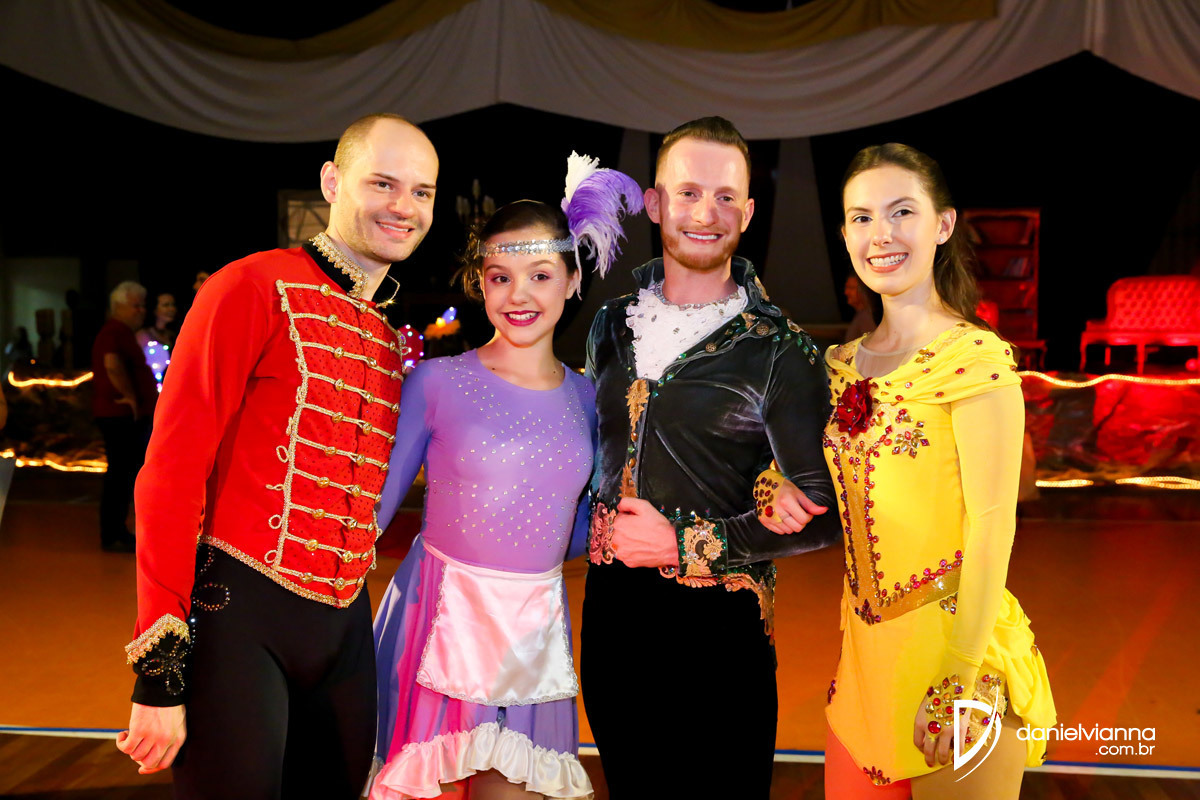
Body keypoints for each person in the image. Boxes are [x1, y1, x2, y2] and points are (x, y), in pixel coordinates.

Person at [115, 113, 439, 799]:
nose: (403, 207)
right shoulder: (250, 285)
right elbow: (171, 471)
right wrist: (159, 672)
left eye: (421, 192)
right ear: (332, 181)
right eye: (383, 183)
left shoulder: (387, 337)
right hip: (239, 624)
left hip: (346, 631)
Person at [760, 143, 1056, 799]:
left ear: (942, 224)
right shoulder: (838, 366)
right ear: (844, 235)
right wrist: (772, 485)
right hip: (861, 674)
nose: (881, 234)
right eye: (862, 217)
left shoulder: (974, 360)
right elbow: (810, 479)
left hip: (956, 667)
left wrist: (959, 673)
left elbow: (993, 525)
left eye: (902, 212)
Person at [580, 117, 839, 799]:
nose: (706, 213)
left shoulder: (780, 349)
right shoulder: (610, 326)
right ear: (655, 203)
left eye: (726, 197)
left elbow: (823, 512)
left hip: (720, 636)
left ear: (748, 214)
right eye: (688, 193)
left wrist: (687, 542)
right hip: (611, 627)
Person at [370, 155, 642, 800]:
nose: (519, 295)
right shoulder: (436, 383)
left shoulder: (591, 401)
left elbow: (579, 530)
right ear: (482, 284)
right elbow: (372, 514)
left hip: (530, 638)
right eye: (501, 278)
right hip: (434, 624)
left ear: (573, 280)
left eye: (540, 275)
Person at [92, 281, 158, 553]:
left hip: (122, 414)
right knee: (120, 475)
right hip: (120, 415)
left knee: (122, 474)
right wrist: (131, 397)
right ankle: (114, 532)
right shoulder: (115, 332)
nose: (141, 311)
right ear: (118, 307)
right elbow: (112, 365)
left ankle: (116, 530)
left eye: (142, 306)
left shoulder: (120, 332)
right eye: (135, 306)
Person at [137, 292, 178, 391]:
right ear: (155, 309)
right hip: (150, 388)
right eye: (166, 305)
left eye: (173, 305)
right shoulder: (143, 336)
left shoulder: (173, 335)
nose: (171, 309)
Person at [844, 273, 876, 341]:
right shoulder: (862, 315)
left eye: (851, 288)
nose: (846, 292)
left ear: (863, 291)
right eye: (847, 288)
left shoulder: (867, 316)